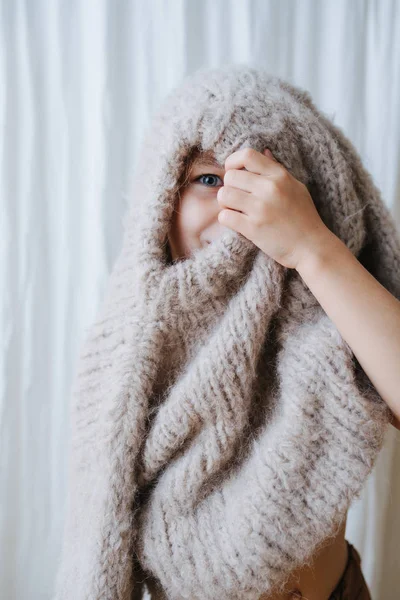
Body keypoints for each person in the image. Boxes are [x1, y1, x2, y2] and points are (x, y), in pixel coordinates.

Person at [165, 144, 400, 600]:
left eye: (273, 182)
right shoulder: (135, 340)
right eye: (209, 180)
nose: (242, 203)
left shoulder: (331, 317)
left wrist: (310, 246)